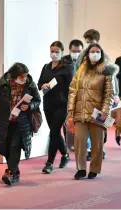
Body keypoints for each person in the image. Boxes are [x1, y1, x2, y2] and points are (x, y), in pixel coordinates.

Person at [66, 43, 117, 180]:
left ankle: (94, 168)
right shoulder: (81, 70)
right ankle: (81, 168)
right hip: (80, 112)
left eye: (97, 51)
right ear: (87, 54)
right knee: (79, 140)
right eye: (92, 51)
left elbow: (109, 94)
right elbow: (72, 91)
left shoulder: (106, 71)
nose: (94, 54)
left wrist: (105, 110)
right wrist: (71, 111)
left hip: (98, 113)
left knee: (97, 143)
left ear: (101, 54)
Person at [0, 62, 41, 186]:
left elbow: (37, 100)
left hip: (22, 121)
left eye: (25, 76)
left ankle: (10, 172)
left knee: (15, 145)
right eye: (21, 77)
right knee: (4, 147)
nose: (24, 79)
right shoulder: (2, 83)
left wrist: (30, 106)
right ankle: (15, 171)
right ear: (14, 76)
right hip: (4, 120)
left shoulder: (30, 84)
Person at [75, 29, 119, 161]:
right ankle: (89, 149)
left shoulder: (104, 56)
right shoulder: (82, 56)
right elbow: (76, 75)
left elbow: (111, 76)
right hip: (85, 95)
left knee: (99, 124)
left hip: (100, 96)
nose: (89, 45)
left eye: (91, 42)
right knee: (86, 123)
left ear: (97, 41)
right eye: (87, 42)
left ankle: (101, 148)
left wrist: (115, 94)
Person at [38, 41, 74, 174]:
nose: (54, 54)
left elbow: (72, 88)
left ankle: (49, 163)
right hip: (48, 104)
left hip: (62, 105)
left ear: (62, 52)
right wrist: (43, 85)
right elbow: (39, 83)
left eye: (57, 51)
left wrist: (71, 107)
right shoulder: (46, 67)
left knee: (53, 133)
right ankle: (65, 155)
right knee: (55, 132)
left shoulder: (67, 68)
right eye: (52, 51)